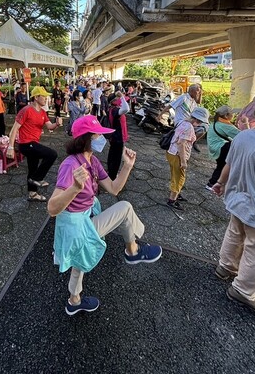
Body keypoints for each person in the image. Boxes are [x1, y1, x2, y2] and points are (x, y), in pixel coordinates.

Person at [48, 115, 162, 315]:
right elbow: (52, 208)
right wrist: (75, 188)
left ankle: (74, 301)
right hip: (75, 224)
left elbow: (114, 188)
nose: (102, 138)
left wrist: (127, 166)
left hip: (85, 217)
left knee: (79, 260)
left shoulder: (92, 161)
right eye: (98, 135)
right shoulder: (70, 165)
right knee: (125, 208)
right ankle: (132, 251)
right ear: (85, 138)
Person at [213, 102, 255, 314]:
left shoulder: (244, 136)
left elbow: (229, 164)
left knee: (235, 234)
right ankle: (244, 290)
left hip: (237, 200)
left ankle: (225, 266)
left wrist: (220, 183)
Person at [7, 86, 61, 202]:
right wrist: (10, 148)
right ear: (36, 97)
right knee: (52, 154)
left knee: (33, 168)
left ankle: (32, 194)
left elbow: (49, 126)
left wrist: (56, 124)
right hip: (26, 144)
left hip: (33, 143)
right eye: (44, 96)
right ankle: (37, 178)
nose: (46, 99)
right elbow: (14, 129)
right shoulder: (26, 110)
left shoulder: (42, 112)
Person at [165, 107, 209, 210]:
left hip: (171, 152)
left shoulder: (182, 122)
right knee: (180, 178)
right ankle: (172, 200)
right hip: (177, 155)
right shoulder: (189, 128)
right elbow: (181, 144)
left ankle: (176, 193)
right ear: (197, 120)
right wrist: (184, 161)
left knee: (175, 175)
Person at [205, 105, 243, 191]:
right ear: (226, 115)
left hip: (215, 148)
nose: (233, 116)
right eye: (232, 114)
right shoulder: (225, 125)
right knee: (223, 166)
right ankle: (212, 183)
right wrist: (246, 123)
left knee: (222, 166)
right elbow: (242, 135)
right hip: (220, 148)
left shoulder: (216, 122)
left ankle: (213, 183)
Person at [107, 92, 130, 180]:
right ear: (114, 101)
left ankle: (110, 172)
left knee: (112, 155)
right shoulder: (115, 110)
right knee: (116, 158)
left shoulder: (113, 109)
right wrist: (122, 97)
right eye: (118, 98)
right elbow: (126, 108)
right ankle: (112, 176)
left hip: (115, 137)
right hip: (117, 138)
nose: (120, 99)